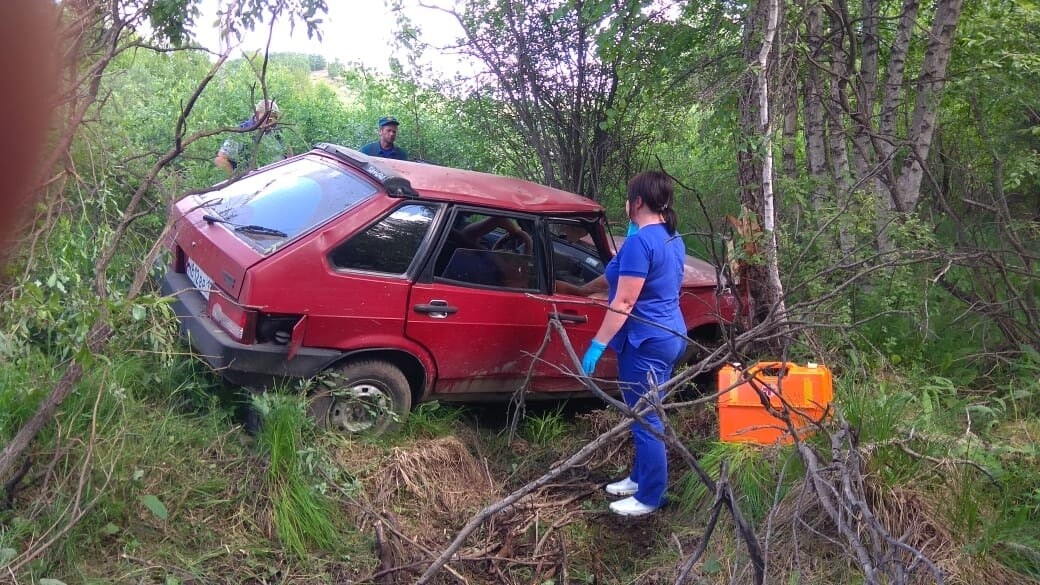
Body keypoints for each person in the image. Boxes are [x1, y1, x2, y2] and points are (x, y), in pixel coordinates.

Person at [580, 171, 686, 517]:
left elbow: (624, 302)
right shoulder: (671, 237)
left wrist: (597, 344)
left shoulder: (643, 243)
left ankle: (651, 496)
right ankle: (641, 478)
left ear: (636, 202)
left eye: (628, 199)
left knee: (645, 418)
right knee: (649, 411)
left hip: (646, 339)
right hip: (670, 335)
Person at [214, 99, 290, 175]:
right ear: (257, 114)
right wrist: (235, 180)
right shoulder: (242, 133)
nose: (271, 122)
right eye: (267, 118)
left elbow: (289, 153)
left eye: (274, 118)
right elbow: (220, 159)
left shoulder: (278, 132)